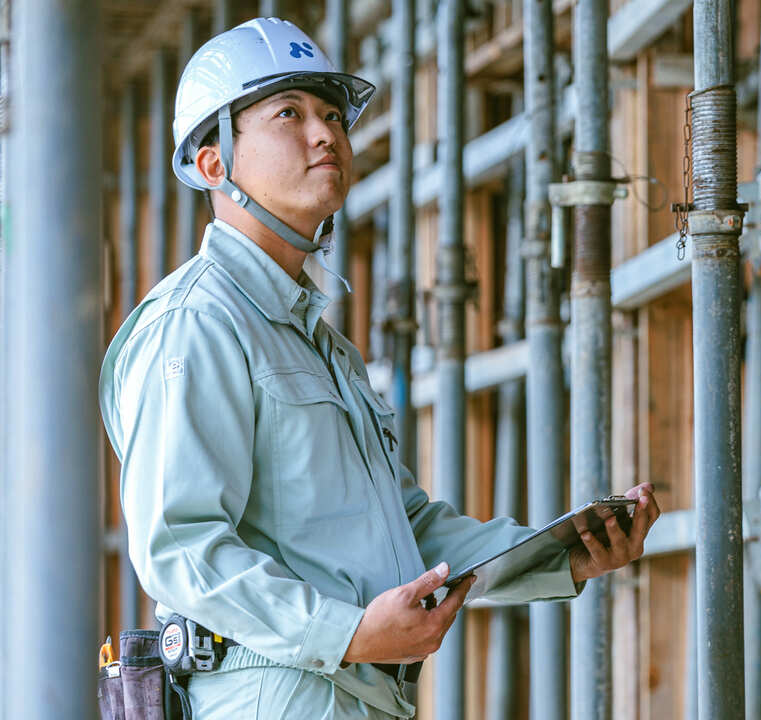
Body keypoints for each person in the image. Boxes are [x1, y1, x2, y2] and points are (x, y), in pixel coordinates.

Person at [99, 17, 659, 719]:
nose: (326, 133)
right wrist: (350, 633)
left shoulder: (323, 345)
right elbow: (184, 550)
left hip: (349, 693)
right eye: (289, 114)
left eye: (332, 114)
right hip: (274, 696)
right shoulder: (198, 323)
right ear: (214, 163)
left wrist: (559, 554)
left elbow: (404, 527)